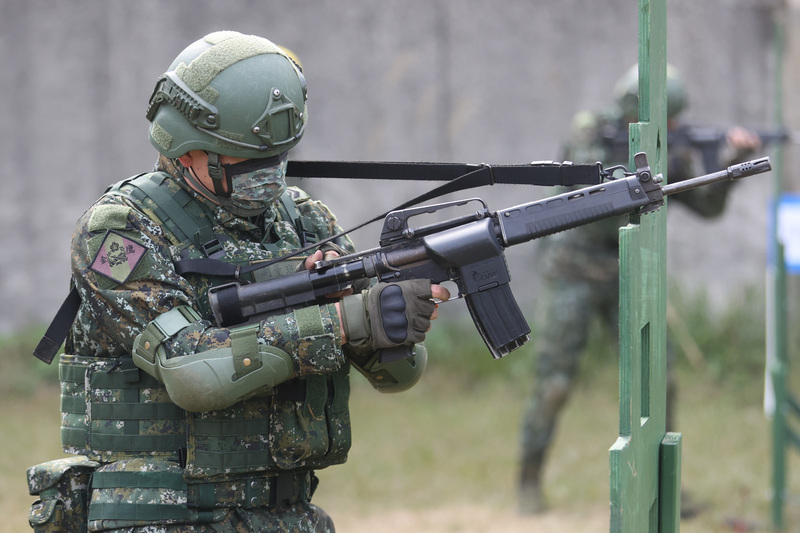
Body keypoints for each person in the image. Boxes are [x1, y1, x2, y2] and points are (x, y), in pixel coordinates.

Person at [26, 31, 449, 533]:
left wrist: (387, 314)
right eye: (245, 162)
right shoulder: (120, 231)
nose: (267, 177)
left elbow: (397, 376)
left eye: (277, 159)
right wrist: (340, 321)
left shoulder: (305, 221)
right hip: (161, 514)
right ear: (186, 148)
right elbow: (190, 371)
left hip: (287, 513)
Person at [517, 64, 761, 515]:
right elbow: (598, 193)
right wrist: (657, 162)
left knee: (657, 381)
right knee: (555, 383)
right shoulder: (592, 129)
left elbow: (707, 208)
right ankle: (528, 483)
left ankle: (664, 489)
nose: (674, 125)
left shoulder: (669, 147)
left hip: (627, 270)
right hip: (572, 269)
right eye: (668, 117)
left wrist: (728, 163)